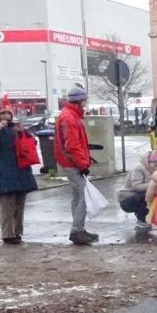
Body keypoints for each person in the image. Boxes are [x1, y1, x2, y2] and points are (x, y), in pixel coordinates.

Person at [0, 108, 38, 244]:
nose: (6, 116)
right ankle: (7, 234)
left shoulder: (15, 127)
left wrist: (23, 131)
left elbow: (32, 143)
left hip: (21, 170)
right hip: (3, 170)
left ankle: (17, 232)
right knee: (7, 205)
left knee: (19, 204)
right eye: (2, 114)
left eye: (8, 113)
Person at [54, 87, 98, 246]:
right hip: (72, 163)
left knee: (77, 196)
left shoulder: (69, 115)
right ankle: (77, 230)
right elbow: (72, 145)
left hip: (69, 161)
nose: (85, 104)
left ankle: (79, 228)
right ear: (78, 101)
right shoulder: (70, 117)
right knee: (84, 196)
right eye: (84, 101)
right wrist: (82, 164)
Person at [117, 147, 156, 231]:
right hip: (126, 199)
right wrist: (153, 185)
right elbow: (137, 186)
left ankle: (142, 215)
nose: (155, 164)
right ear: (148, 160)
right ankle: (141, 219)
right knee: (148, 194)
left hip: (135, 196)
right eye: (154, 161)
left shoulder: (151, 170)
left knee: (153, 194)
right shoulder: (138, 168)